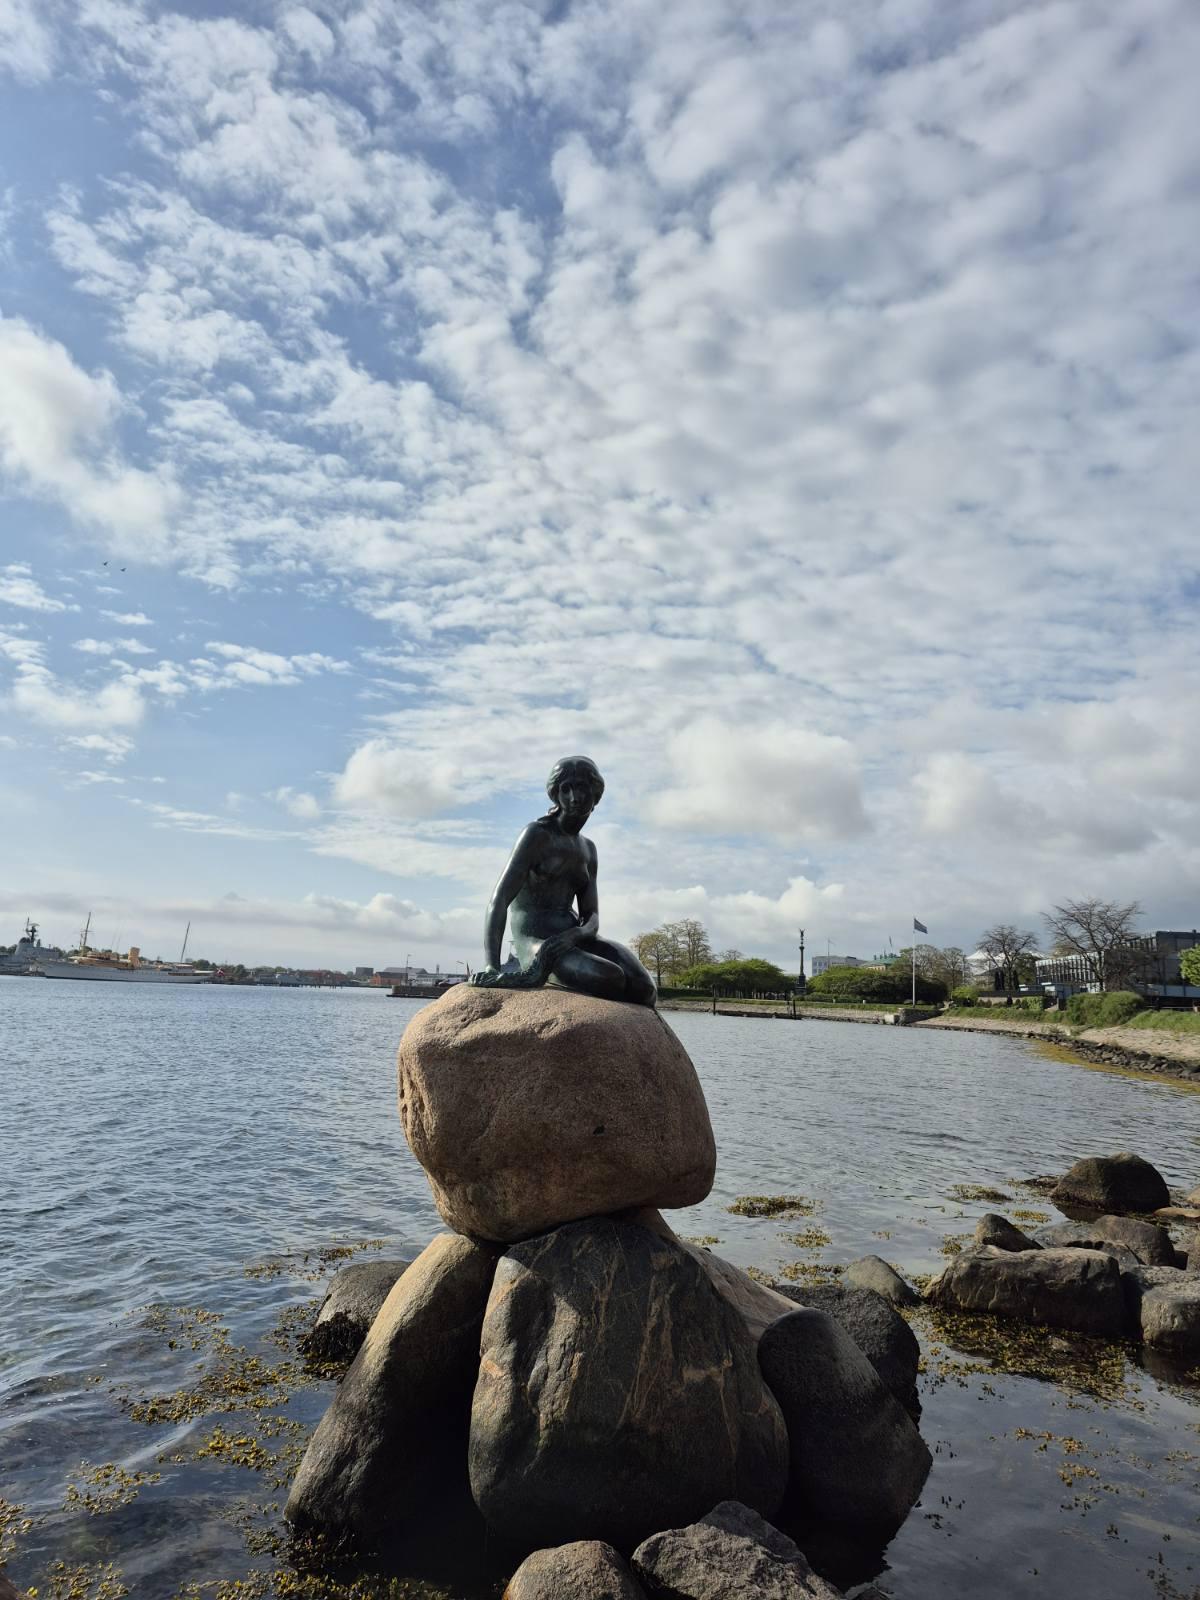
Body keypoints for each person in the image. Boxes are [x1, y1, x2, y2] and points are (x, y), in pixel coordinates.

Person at [468, 756, 656, 1007]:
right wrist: (492, 965)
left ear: (595, 794)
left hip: (574, 939)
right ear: (555, 795)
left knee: (645, 988)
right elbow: (499, 900)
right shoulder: (537, 835)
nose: (574, 797)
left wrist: (574, 935)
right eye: (565, 789)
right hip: (537, 943)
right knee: (610, 978)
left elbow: (592, 917)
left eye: (581, 788)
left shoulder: (588, 849)